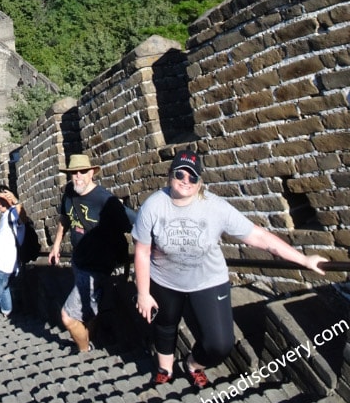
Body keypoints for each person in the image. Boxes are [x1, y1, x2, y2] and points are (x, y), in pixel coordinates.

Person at [132, 149, 327, 389]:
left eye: (192, 177)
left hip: (208, 281)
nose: (186, 181)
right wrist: (143, 292)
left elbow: (258, 236)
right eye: (180, 174)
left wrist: (304, 260)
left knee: (220, 344)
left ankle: (193, 365)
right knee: (165, 324)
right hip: (165, 280)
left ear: (200, 182)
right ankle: (165, 370)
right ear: (170, 175)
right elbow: (142, 251)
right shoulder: (153, 206)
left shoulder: (215, 207)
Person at [48, 154, 133, 353]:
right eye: (73, 173)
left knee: (67, 316)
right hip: (79, 261)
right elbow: (65, 218)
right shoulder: (70, 192)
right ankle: (92, 340)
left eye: (83, 172)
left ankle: (84, 352)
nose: (78, 177)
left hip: (97, 266)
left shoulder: (105, 200)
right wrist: (56, 245)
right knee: (88, 309)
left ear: (92, 172)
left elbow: (135, 223)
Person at [0, 185, 26, 321]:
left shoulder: (14, 212)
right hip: (2, 264)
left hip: (5, 266)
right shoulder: (5, 215)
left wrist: (16, 202)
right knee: (4, 287)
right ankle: (7, 311)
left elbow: (22, 219)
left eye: (1, 198)